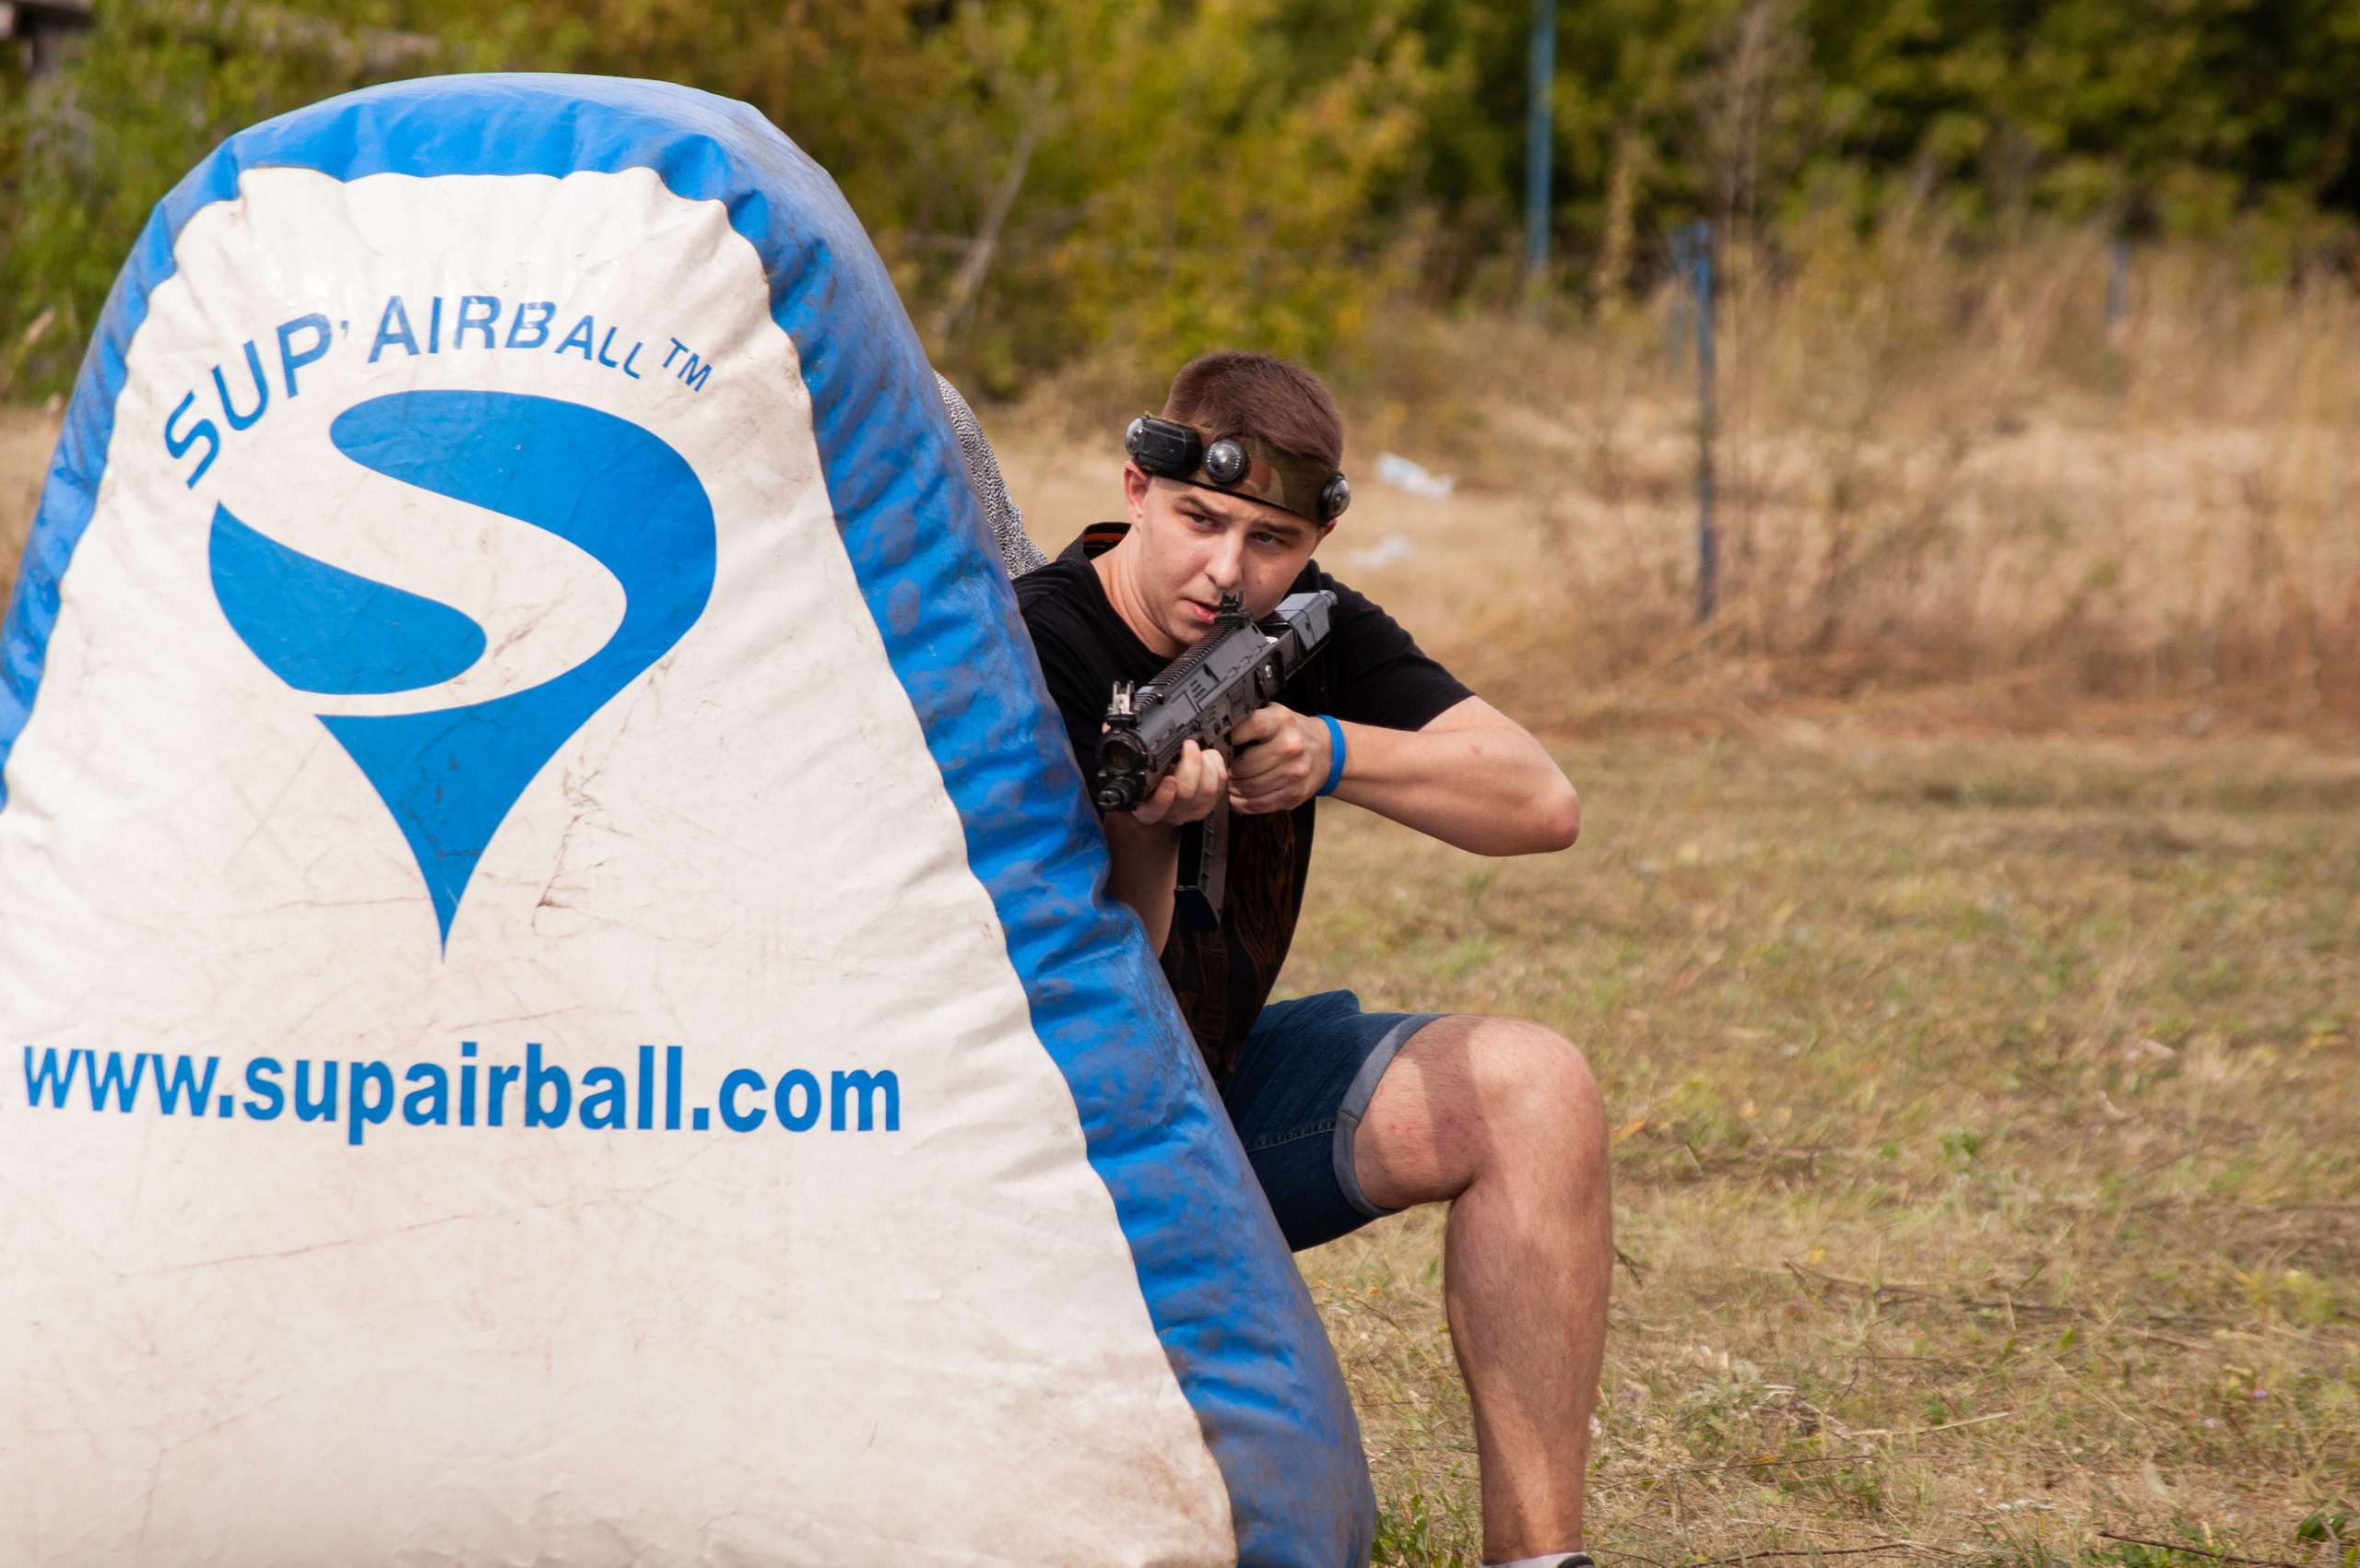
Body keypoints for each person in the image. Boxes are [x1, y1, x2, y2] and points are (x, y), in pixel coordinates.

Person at [1011, 351, 1611, 1568]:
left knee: (1536, 1090)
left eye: (1272, 539)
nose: (1227, 572)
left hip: (1220, 1098)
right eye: (1200, 521)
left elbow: (1541, 802)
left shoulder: (1302, 626)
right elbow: (1083, 1013)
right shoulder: (1038, 647)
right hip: (1054, 1149)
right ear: (1136, 483)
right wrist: (1142, 835)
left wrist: (1336, 751)